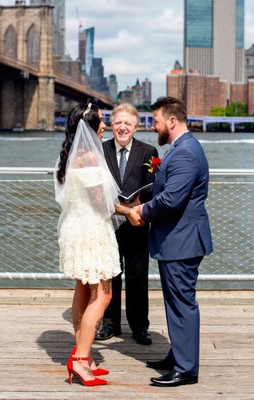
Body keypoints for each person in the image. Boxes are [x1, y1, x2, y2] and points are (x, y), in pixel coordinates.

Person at [54, 103, 141, 387]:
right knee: (103, 294)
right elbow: (100, 202)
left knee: (83, 288)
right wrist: (129, 211)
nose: (104, 126)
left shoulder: (69, 154)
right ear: (89, 126)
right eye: (101, 122)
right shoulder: (89, 156)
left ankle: (82, 354)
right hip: (91, 231)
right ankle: (80, 360)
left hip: (75, 228)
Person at [134, 97, 213, 387]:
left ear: (171, 121)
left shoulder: (186, 153)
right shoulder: (180, 149)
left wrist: (142, 210)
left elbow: (172, 199)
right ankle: (178, 355)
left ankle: (187, 369)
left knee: (182, 303)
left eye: (155, 122)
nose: (152, 127)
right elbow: (164, 189)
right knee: (175, 301)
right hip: (176, 239)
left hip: (183, 240)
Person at [95, 103, 158, 345]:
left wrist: (141, 206)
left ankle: (139, 327)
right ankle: (110, 324)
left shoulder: (149, 151)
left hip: (137, 223)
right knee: (110, 276)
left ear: (136, 127)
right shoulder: (100, 151)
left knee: (138, 277)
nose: (122, 128)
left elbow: (153, 186)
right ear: (112, 125)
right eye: (118, 123)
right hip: (108, 224)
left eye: (127, 124)